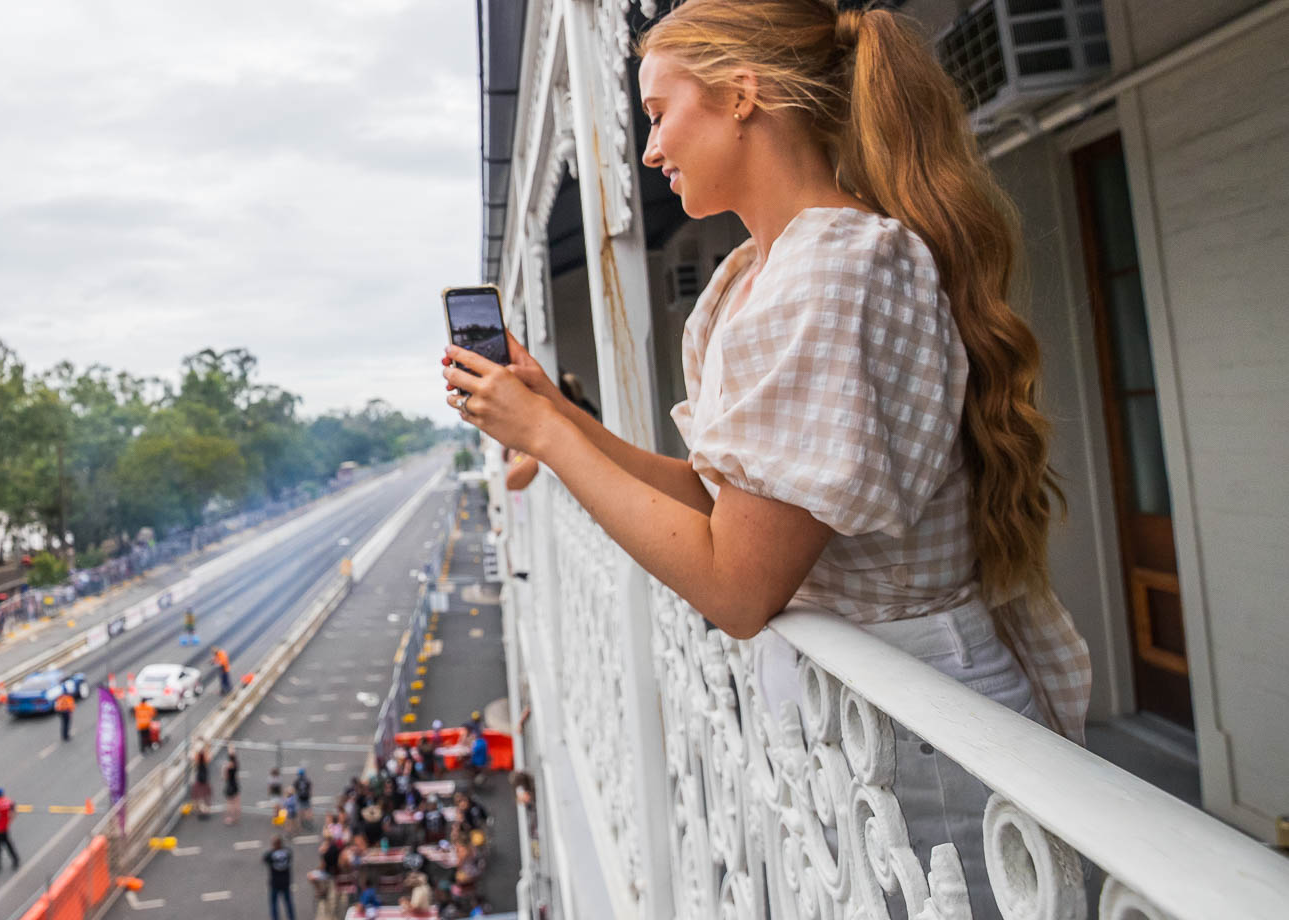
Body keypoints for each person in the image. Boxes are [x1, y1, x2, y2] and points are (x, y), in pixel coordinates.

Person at [442, 2, 1093, 912]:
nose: (650, 149)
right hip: (862, 731)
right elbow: (725, 501)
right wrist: (559, 416)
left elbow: (740, 587)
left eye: (661, 112)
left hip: (924, 739)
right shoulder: (759, 271)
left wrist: (549, 437)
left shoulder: (832, 267)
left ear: (743, 96)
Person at [263, 834, 297, 920]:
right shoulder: (287, 852)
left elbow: (265, 859)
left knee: (274, 903)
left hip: (275, 882)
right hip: (286, 881)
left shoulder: (270, 855)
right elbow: (290, 856)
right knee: (288, 903)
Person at [0, 786, 20, 871]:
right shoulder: (9, 801)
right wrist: (9, 820)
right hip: (5, 827)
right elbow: (14, 812)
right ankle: (16, 859)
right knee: (8, 844)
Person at [190, 744, 214, 818]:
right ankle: (205, 809)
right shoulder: (206, 757)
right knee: (205, 795)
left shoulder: (197, 757)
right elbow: (210, 755)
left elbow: (192, 756)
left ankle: (201, 809)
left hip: (200, 777)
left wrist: (193, 744)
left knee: (198, 794)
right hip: (205, 777)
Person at [223, 747, 243, 825]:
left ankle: (231, 818)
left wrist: (224, 768)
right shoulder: (236, 763)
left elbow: (225, 777)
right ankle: (237, 816)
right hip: (235, 784)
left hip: (230, 784)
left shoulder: (228, 766)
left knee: (230, 803)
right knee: (237, 801)